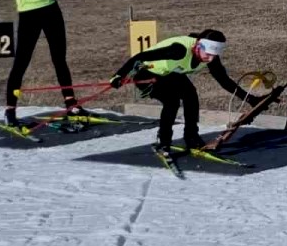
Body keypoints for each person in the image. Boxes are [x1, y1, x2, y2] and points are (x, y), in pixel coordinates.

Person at [109, 29, 264, 158]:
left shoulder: (210, 57)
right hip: (147, 74)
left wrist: (251, 99)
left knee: (191, 95)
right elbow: (139, 57)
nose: (209, 60)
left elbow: (224, 81)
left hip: (171, 73)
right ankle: (164, 142)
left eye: (214, 56)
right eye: (208, 54)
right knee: (172, 101)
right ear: (198, 46)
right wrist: (119, 76)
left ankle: (191, 138)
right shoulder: (179, 50)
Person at [4, 0, 78, 127]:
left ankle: (72, 104)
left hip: (50, 10)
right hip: (29, 14)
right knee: (21, 62)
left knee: (59, 59)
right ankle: (10, 109)